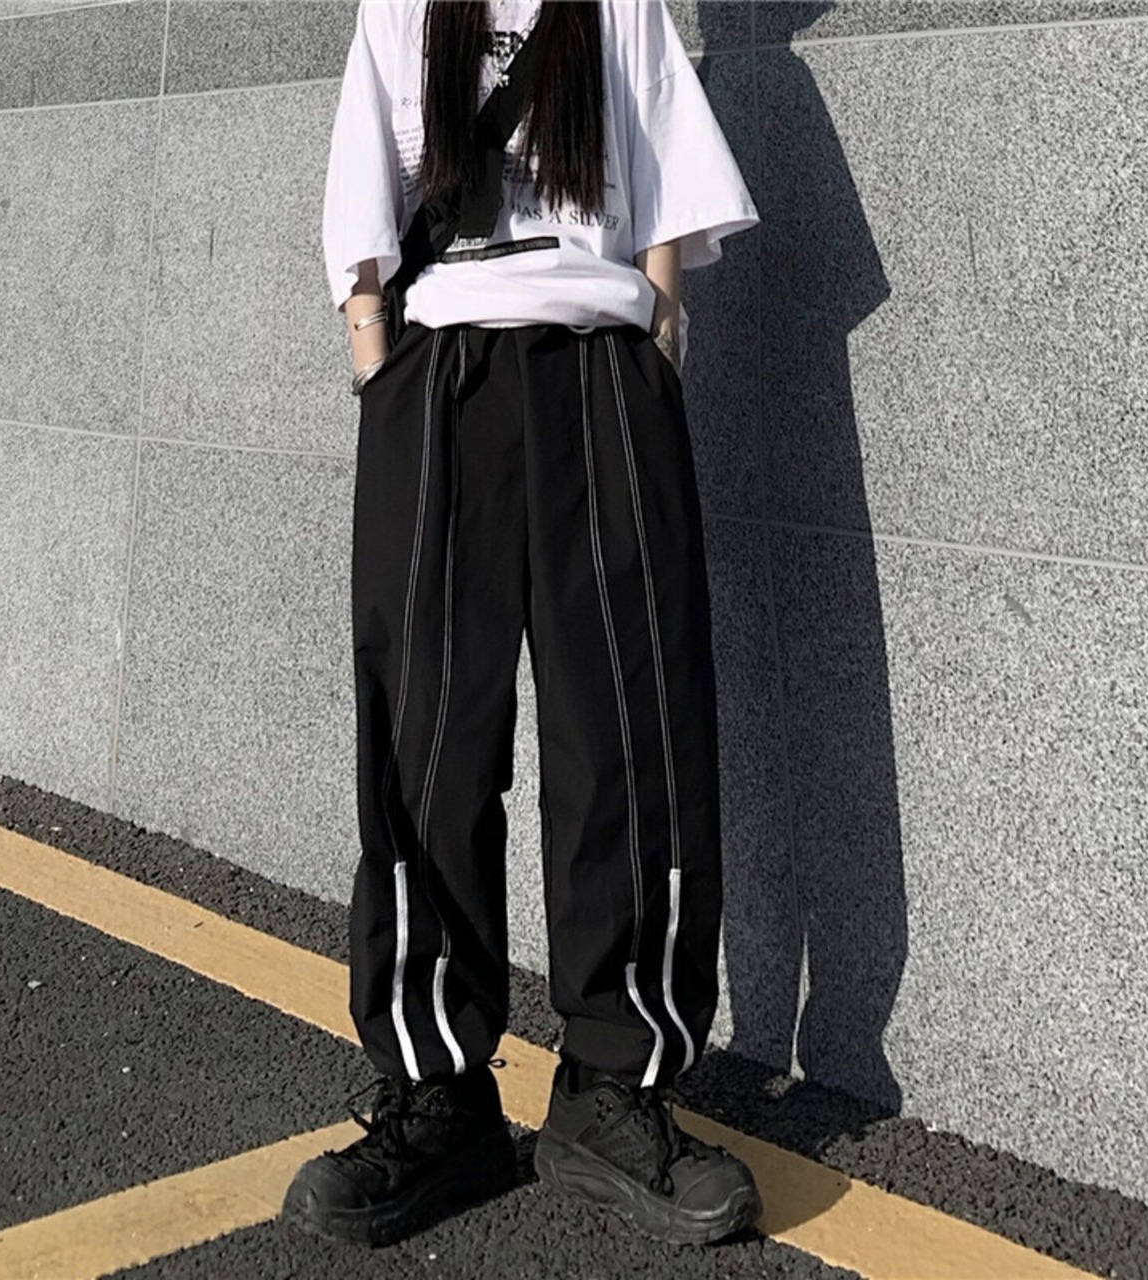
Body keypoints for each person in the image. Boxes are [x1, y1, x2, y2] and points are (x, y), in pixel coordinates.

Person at [281, 0, 761, 1250]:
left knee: (630, 740)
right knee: (427, 742)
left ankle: (613, 1086)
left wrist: (654, 350)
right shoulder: (403, 8)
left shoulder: (617, 5)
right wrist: (377, 363)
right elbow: (362, 209)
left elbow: (664, 196)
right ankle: (438, 1091)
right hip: (442, 381)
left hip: (600, 374)